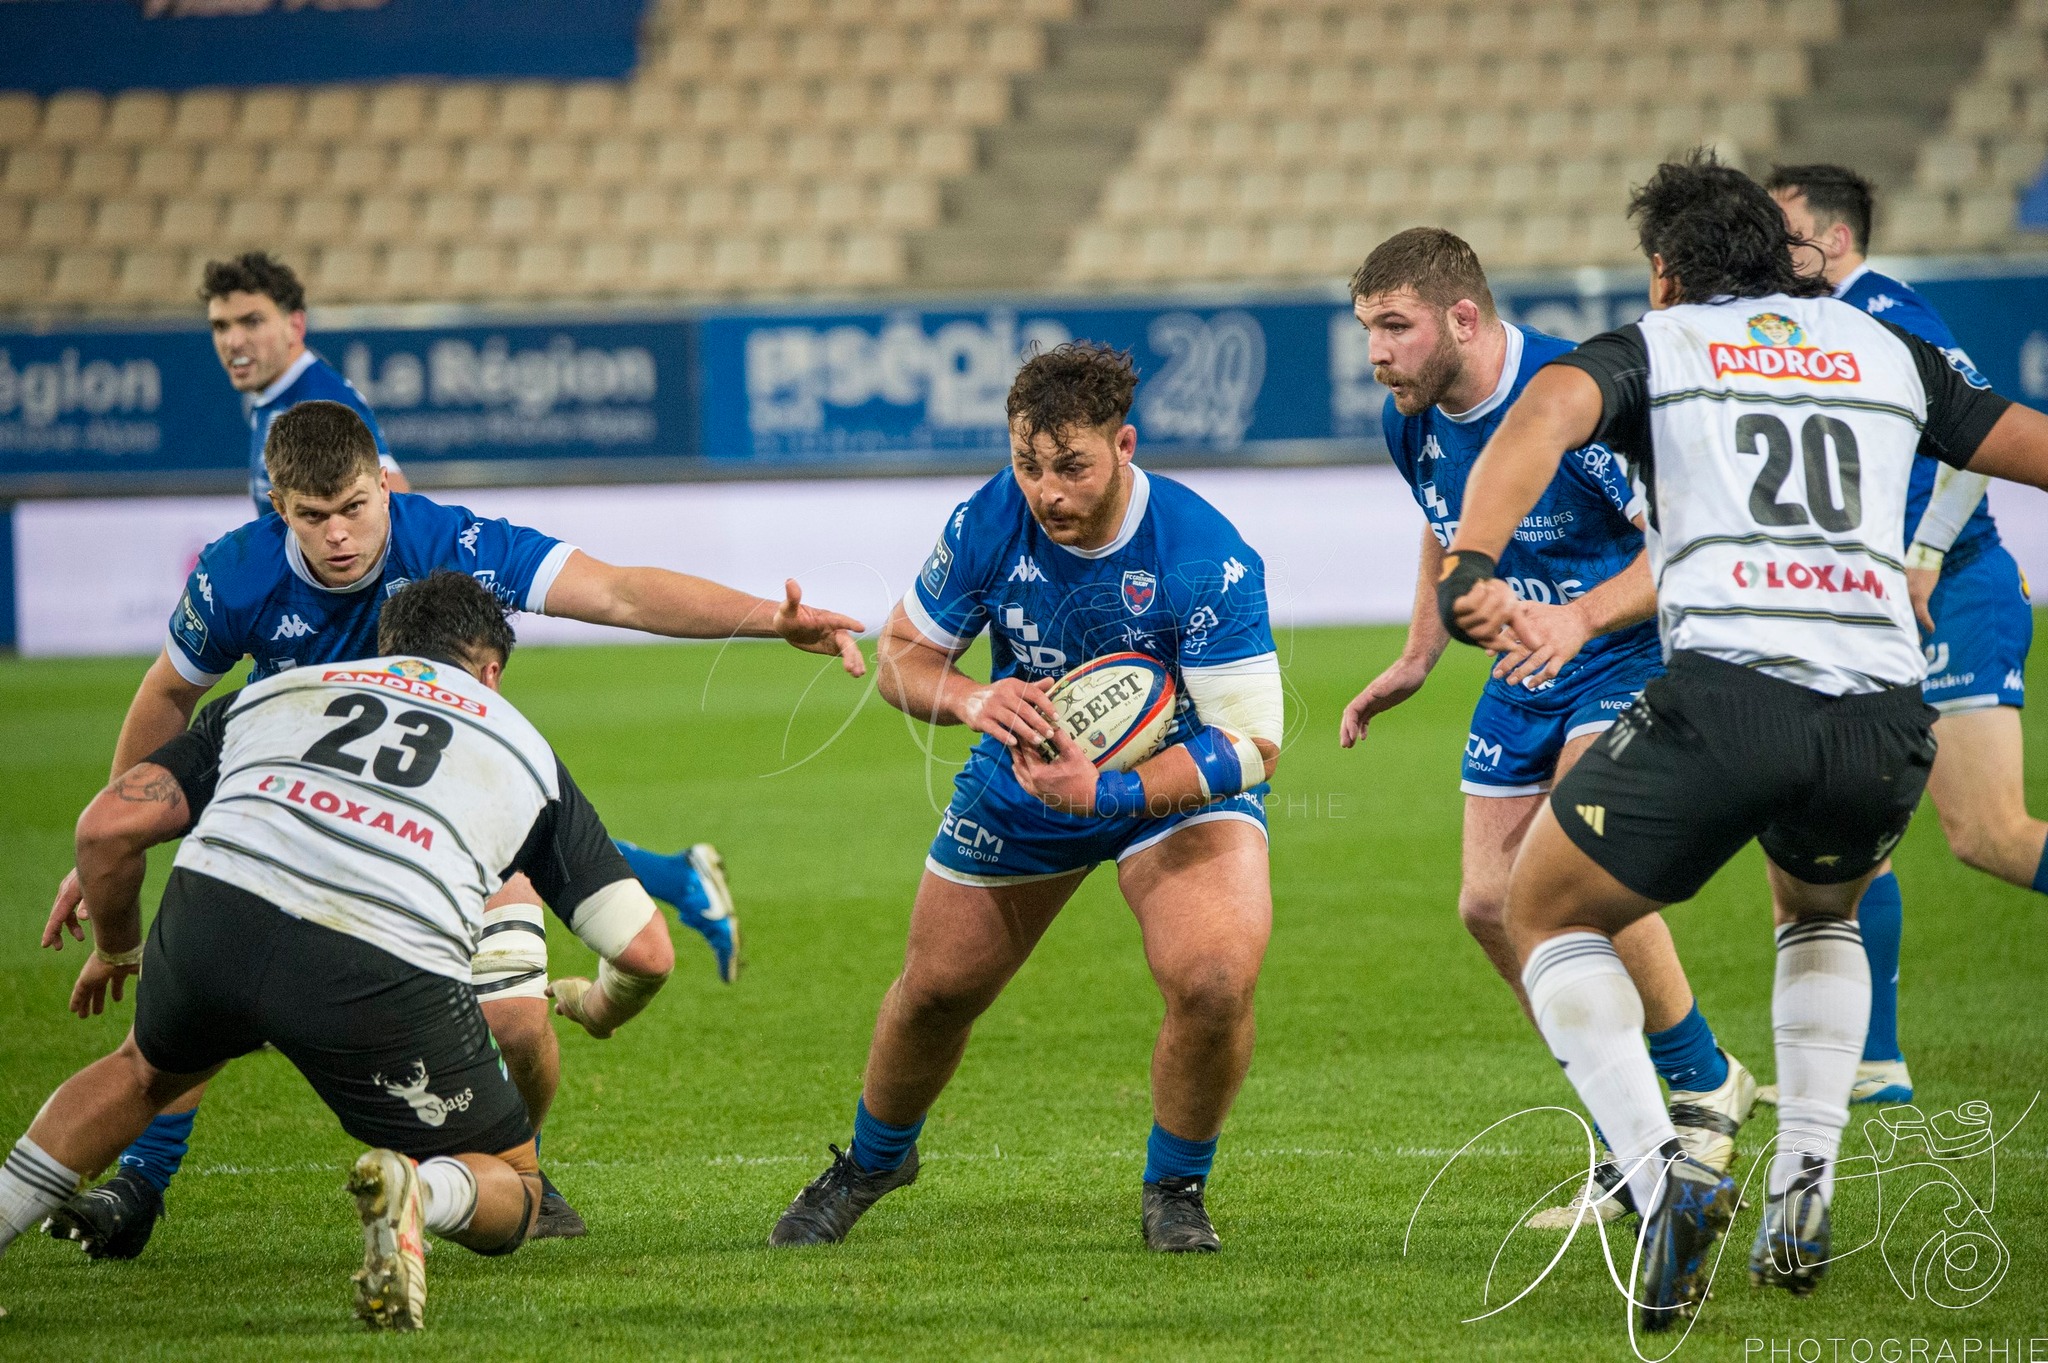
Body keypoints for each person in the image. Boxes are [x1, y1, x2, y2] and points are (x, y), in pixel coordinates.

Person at [1439, 150, 2048, 1328]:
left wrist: (1472, 555)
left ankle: (1667, 1174)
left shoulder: (1658, 344)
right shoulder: (1885, 350)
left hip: (1723, 696)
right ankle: (1804, 1183)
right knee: (1818, 911)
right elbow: (2020, 444)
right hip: (1881, 710)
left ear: (1664, 272)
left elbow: (1550, 408)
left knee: (1539, 908)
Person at [40, 400, 863, 1256]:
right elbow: (167, 696)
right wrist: (118, 829)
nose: (339, 537)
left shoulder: (449, 544)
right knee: (210, 983)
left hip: (444, 815)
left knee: (515, 1025)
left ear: (384, 485)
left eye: (357, 507)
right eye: (313, 517)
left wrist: (771, 617)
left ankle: (509, 1163)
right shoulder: (236, 574)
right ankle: (140, 1185)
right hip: (297, 811)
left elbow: (616, 589)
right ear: (277, 505)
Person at [0, 572, 675, 1331]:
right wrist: (595, 1005)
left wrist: (120, 946)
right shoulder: (522, 746)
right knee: (516, 1180)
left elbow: (103, 829)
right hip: (378, 963)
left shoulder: (281, 691)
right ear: (491, 670)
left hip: (216, 916)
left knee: (139, 1072)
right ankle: (419, 1194)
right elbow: (647, 952)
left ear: (386, 645)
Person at [767, 343, 1283, 1253]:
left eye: (1072, 466)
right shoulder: (990, 520)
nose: (1048, 491)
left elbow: (1253, 742)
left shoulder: (1207, 553)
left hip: (1171, 782)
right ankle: (876, 1158)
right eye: (1028, 464)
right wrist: (972, 697)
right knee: (933, 992)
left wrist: (1113, 790)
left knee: (1211, 977)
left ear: (1124, 445)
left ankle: (1176, 1186)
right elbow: (903, 658)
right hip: (1030, 775)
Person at [1338, 228, 1755, 1226]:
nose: (1375, 353)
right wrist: (1418, 651)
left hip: (1621, 649)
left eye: (1393, 327)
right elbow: (1450, 525)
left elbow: (1681, 551)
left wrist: (1573, 618)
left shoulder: (1578, 398)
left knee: (1570, 874)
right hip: (1522, 668)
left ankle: (1697, 1094)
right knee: (1488, 904)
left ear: (1464, 318)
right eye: (1366, 330)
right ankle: (1634, 1136)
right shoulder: (1413, 419)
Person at [1760, 163, 2043, 1107]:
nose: (1767, 239)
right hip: (1874, 604)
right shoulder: (1810, 326)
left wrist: (1923, 551)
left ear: (1833, 241)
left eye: (1783, 224)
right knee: (1842, 841)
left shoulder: (1884, 306)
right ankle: (1873, 1063)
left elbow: (1983, 427)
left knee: (1990, 833)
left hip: (1952, 589)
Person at [201, 251, 410, 512]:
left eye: (252, 322)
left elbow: (395, 499)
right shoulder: (274, 397)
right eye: (221, 326)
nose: (233, 341)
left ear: (295, 326)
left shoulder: (321, 403)